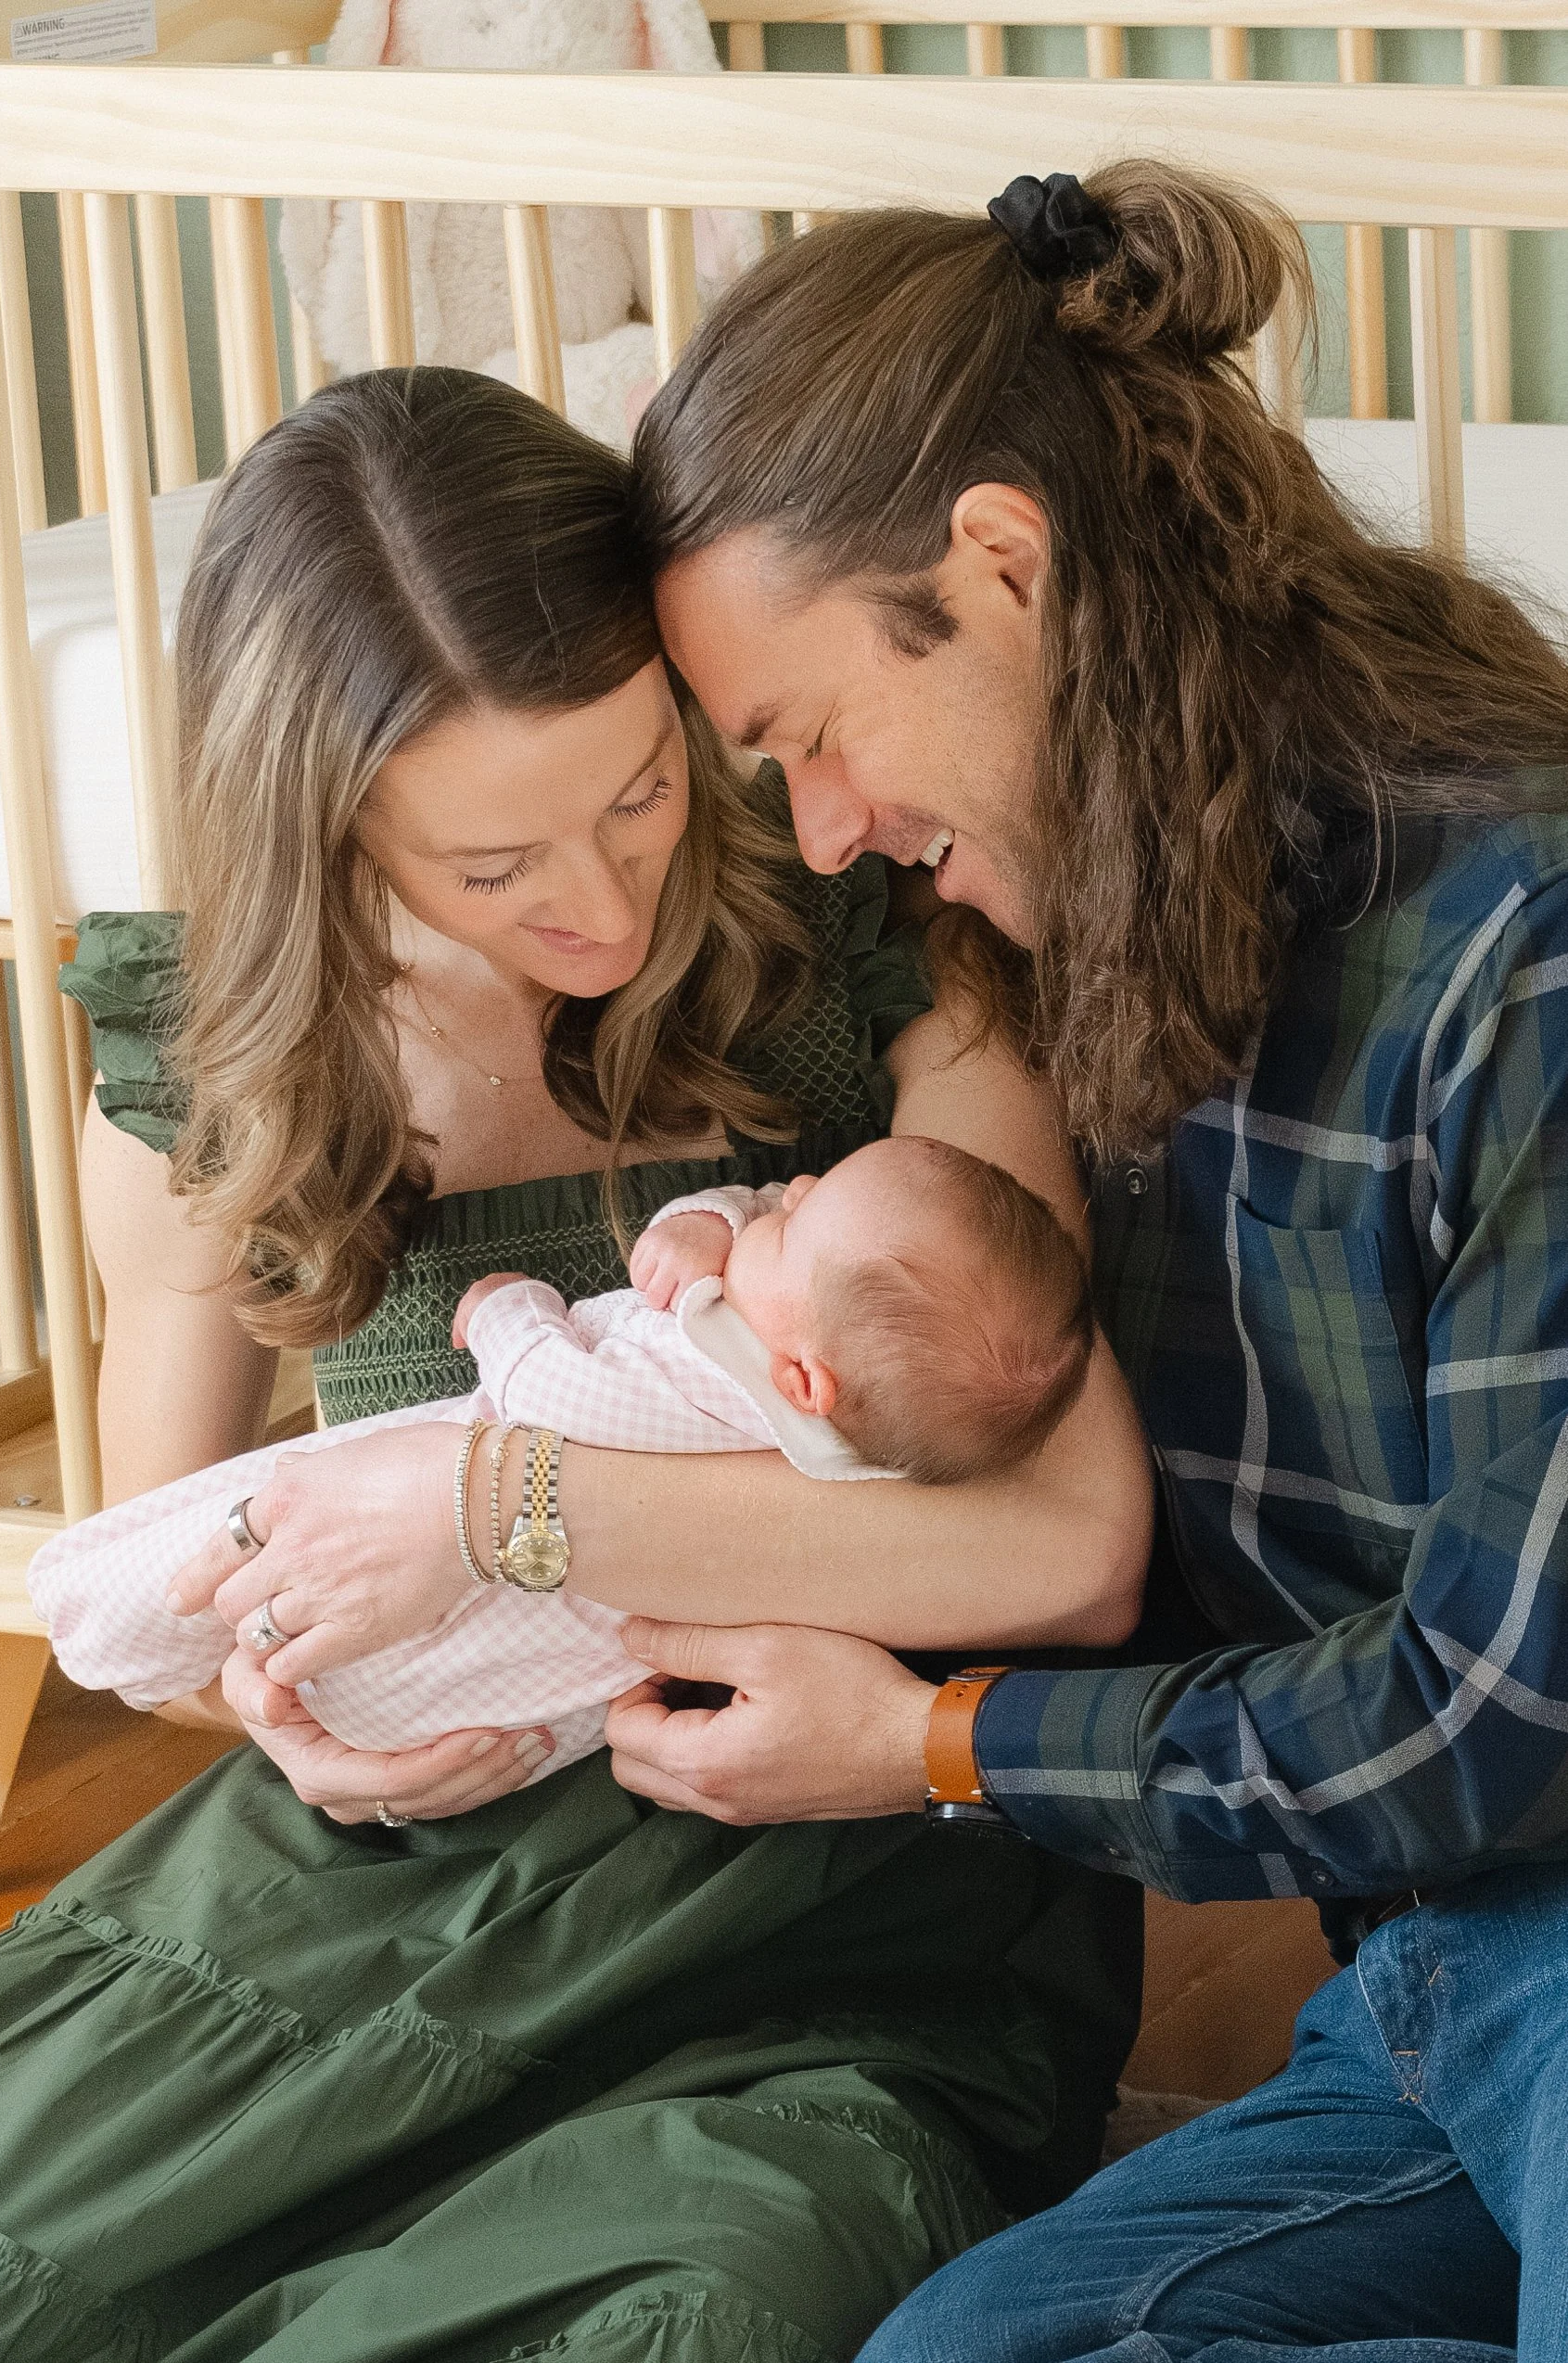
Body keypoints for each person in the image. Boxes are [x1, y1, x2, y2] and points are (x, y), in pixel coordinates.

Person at [0, 364, 1145, 2363]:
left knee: (691, 2310)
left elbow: (1073, 1542)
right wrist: (277, 1695)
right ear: (331, 819)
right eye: (491, 865)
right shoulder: (223, 1057)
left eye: (637, 791)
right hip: (397, 1870)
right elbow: (180, 1590)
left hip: (830, 1885)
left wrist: (494, 1506)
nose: (600, 901)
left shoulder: (862, 947)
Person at [618, 164, 1568, 2359]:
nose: (827, 829)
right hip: (1417, 1987)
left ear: (1000, 569)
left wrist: (930, 1744)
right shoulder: (1071, 943)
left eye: (809, 740)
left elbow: (1493, 1718)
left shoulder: (1512, 946)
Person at [29, 1135, 1103, 1756]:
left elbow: (560, 1400)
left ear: (803, 1382)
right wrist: (724, 1220)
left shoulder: (713, 1377)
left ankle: (94, 1610)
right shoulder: (853, 1407)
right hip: (551, 1646)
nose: (794, 1190)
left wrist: (510, 1309)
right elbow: (772, 1213)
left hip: (488, 1546)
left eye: (792, 1221)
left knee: (221, 1560)